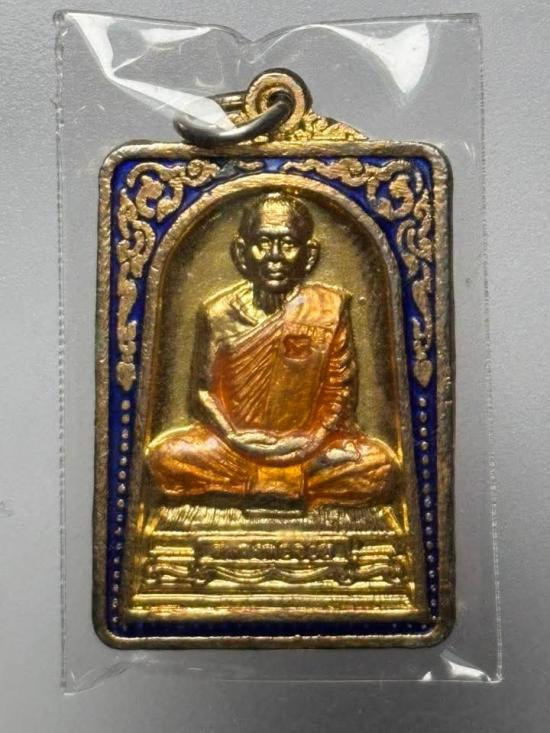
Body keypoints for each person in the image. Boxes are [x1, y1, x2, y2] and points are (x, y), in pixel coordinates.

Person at [146, 191, 398, 509]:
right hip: (235, 449)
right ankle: (285, 484)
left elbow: (340, 391)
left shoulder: (328, 308)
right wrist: (234, 436)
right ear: (241, 253)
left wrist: (313, 439)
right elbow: (203, 393)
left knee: (379, 465)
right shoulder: (218, 312)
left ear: (309, 255)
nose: (274, 256)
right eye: (263, 243)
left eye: (288, 243)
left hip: (309, 450)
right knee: (164, 457)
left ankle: (255, 486)